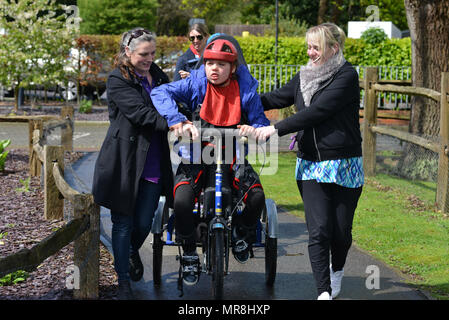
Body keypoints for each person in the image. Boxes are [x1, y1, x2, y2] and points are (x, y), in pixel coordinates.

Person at [255, 23, 364, 300]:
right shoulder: (304, 76)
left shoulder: (346, 76)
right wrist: (236, 100)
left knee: (340, 233)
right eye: (309, 46)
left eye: (316, 47)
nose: (310, 52)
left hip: (344, 163)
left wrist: (276, 128)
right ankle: (323, 292)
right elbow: (275, 98)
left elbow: (318, 112)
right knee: (319, 230)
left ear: (333, 49)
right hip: (311, 164)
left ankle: (336, 272)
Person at [151, 37, 270, 285]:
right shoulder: (195, 84)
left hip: (232, 154)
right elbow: (159, 92)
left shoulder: (246, 90)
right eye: (209, 63)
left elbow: (260, 122)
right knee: (182, 201)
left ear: (233, 68)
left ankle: (241, 234)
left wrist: (255, 129)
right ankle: (190, 254)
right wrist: (178, 121)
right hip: (197, 154)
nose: (214, 69)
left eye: (221, 65)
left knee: (257, 197)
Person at [92, 28, 174, 300]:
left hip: (152, 161)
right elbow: (139, 114)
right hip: (124, 160)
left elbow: (172, 99)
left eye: (152, 53)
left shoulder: (158, 74)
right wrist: (173, 124)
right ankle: (122, 280)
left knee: (143, 222)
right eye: (143, 54)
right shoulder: (117, 78)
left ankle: (126, 252)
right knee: (123, 222)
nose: (150, 58)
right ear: (128, 52)